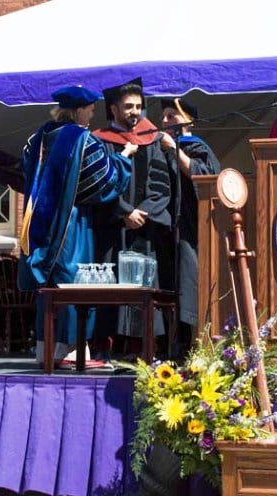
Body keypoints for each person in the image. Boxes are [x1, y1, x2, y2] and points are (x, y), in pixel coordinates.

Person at [19, 85, 134, 366]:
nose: (93, 113)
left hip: (37, 222)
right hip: (70, 223)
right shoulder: (83, 140)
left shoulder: (37, 139)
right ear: (79, 110)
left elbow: (28, 170)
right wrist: (124, 158)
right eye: (91, 108)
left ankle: (44, 348)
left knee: (48, 283)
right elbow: (102, 181)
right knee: (72, 281)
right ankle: (69, 350)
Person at [92, 78, 175, 358]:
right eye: (128, 106)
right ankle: (108, 348)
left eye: (139, 106)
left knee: (143, 287)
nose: (135, 112)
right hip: (112, 230)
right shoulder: (99, 140)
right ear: (114, 109)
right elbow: (98, 182)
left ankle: (142, 349)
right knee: (108, 286)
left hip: (144, 230)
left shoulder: (151, 139)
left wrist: (142, 212)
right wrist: (124, 211)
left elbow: (162, 185)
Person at [158, 96, 221, 355]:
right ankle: (167, 347)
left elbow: (203, 176)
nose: (164, 120)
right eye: (163, 116)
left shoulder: (197, 148)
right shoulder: (158, 147)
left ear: (188, 121)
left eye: (171, 115)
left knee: (190, 285)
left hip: (191, 229)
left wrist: (174, 148)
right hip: (164, 229)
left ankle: (197, 347)